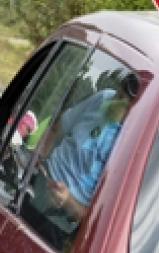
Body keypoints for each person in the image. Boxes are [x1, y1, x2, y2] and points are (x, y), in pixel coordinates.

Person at [36, 74, 138, 222]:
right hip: (45, 175)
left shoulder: (133, 145)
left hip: (68, 216)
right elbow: (60, 127)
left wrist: (68, 201)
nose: (115, 100)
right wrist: (39, 157)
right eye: (119, 93)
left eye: (122, 102)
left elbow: (98, 218)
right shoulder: (104, 98)